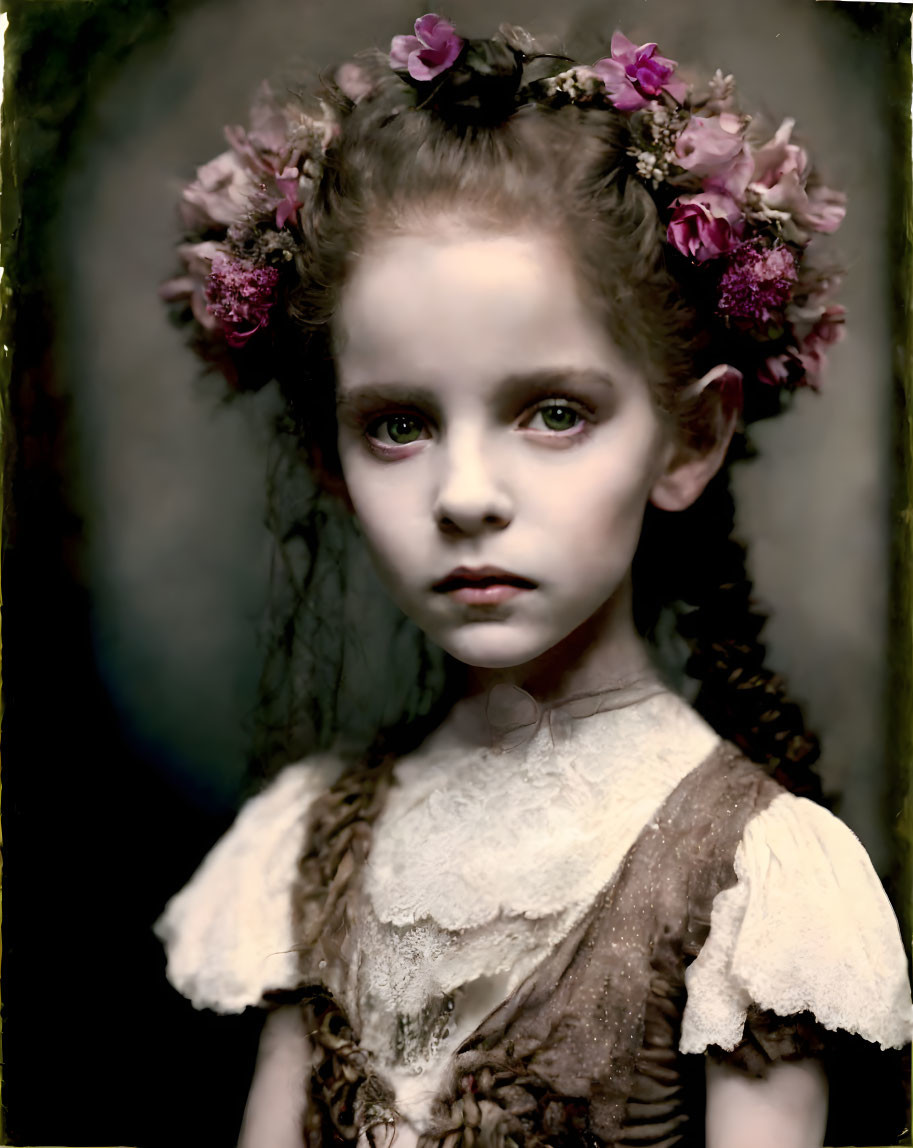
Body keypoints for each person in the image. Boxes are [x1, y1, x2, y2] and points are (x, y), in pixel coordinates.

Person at [155, 16, 912, 1147]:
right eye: (399, 424)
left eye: (553, 412)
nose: (466, 494)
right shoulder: (301, 842)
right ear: (332, 457)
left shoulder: (755, 875)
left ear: (687, 438)